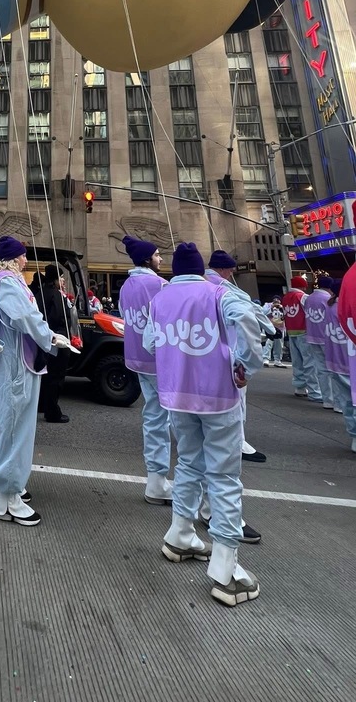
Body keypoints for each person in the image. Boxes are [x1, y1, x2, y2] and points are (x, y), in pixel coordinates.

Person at [143, 242, 263, 607]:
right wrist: (246, 365)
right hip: (217, 396)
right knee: (224, 477)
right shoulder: (217, 293)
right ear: (200, 269)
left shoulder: (160, 299)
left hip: (177, 396)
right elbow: (248, 322)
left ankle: (180, 534)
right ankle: (226, 569)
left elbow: (150, 344)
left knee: (189, 464)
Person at [0, 236, 69, 527]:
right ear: (14, 258)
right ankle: (9, 498)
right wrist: (50, 338)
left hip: (6, 362)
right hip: (14, 364)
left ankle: (0, 483)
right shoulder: (8, 281)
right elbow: (26, 317)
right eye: (23, 255)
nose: (26, 261)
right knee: (15, 428)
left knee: (2, 424)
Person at [118, 234, 171, 505]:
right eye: (157, 254)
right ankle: (161, 482)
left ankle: (156, 479)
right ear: (147, 259)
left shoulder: (126, 286)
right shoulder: (160, 285)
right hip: (161, 359)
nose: (160, 258)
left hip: (136, 358)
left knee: (153, 418)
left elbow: (123, 315)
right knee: (173, 421)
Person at [205, 251, 269, 466]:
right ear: (222, 269)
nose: (232, 273)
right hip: (228, 350)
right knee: (235, 400)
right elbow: (245, 315)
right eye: (230, 269)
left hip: (202, 351)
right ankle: (237, 443)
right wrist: (248, 365)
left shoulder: (200, 286)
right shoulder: (224, 290)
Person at [34, 264, 72, 423]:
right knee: (56, 377)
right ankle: (52, 411)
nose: (63, 281)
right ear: (55, 279)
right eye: (61, 277)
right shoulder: (56, 295)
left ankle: (42, 405)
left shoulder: (39, 293)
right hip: (57, 340)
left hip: (43, 341)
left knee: (45, 376)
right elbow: (58, 318)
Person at [321, 279, 356, 452]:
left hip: (334, 360)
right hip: (349, 359)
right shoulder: (347, 307)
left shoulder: (330, 306)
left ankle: (354, 436)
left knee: (347, 402)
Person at [282, 275, 322, 401]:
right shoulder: (303, 297)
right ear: (303, 286)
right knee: (310, 363)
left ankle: (299, 387)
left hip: (291, 332)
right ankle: (315, 391)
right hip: (304, 332)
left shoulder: (285, 297)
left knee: (297, 362)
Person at [303, 276, 335, 409]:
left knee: (321, 369)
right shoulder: (327, 299)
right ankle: (335, 400)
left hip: (312, 336)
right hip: (326, 337)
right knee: (333, 370)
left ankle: (327, 399)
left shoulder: (309, 298)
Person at [263, 297, 286, 366]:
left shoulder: (283, 306)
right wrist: (272, 308)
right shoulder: (267, 305)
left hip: (280, 328)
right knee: (268, 343)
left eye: (278, 300)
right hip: (270, 327)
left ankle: (277, 360)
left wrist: (281, 308)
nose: (276, 302)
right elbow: (263, 312)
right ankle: (265, 359)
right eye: (275, 300)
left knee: (279, 345)